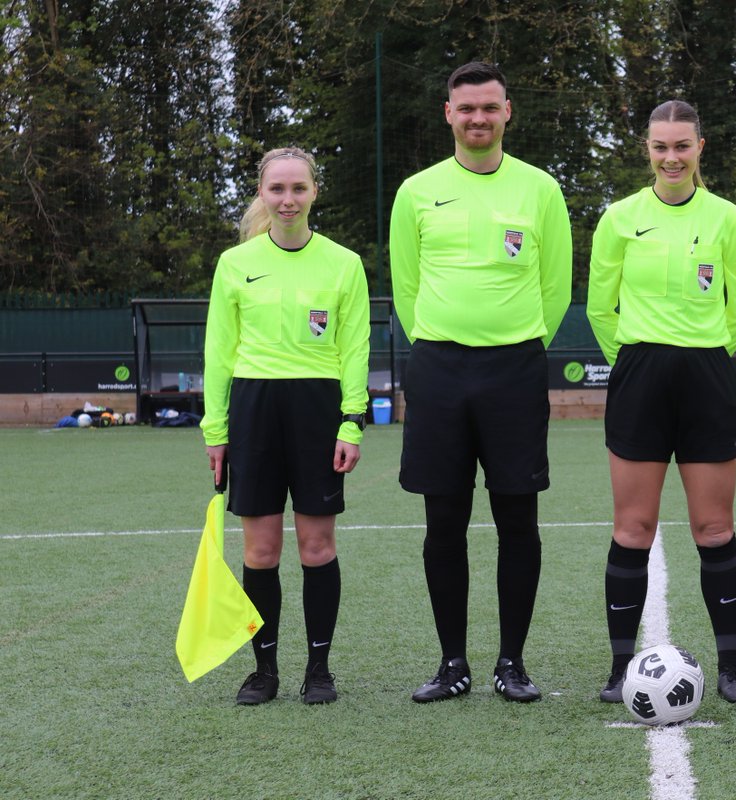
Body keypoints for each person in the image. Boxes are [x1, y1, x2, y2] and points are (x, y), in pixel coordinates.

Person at [389, 62, 572, 703]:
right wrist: (444, 344)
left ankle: (511, 664)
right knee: (444, 520)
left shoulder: (541, 190)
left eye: (489, 107)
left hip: (515, 369)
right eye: (466, 108)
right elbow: (407, 288)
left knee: (518, 517)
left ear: (507, 111)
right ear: (449, 114)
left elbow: (555, 287)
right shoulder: (416, 191)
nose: (478, 119)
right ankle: (452, 664)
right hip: (438, 371)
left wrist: (516, 343)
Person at [587, 100, 736, 704]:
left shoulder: (729, 220)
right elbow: (600, 308)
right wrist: (635, 359)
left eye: (682, 146)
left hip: (707, 374)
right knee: (632, 527)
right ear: (648, 151)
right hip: (639, 375)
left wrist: (704, 353)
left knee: (714, 527)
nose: (671, 157)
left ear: (699, 149)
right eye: (661, 147)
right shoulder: (618, 218)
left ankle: (732, 668)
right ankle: (616, 670)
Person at [200, 146, 371, 705]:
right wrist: (216, 430)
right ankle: (264, 670)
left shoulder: (343, 264)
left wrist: (352, 422)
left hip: (319, 413)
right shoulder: (235, 263)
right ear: (263, 194)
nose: (288, 199)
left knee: (317, 547)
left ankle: (318, 669)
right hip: (253, 413)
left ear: (314, 192)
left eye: (298, 188)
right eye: (277, 189)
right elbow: (219, 354)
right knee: (261, 550)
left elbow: (354, 348)